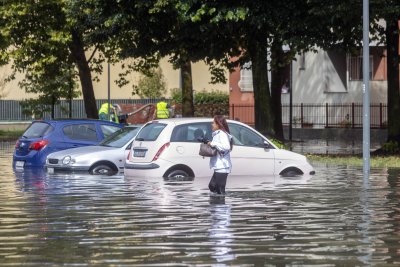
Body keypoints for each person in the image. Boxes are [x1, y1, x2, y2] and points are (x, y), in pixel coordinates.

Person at [207, 115, 233, 195]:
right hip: (219, 166)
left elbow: (226, 147)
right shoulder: (217, 134)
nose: (212, 124)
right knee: (212, 186)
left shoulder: (222, 134)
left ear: (218, 124)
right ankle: (215, 205)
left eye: (213, 123)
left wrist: (213, 143)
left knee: (220, 190)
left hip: (222, 166)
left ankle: (221, 206)